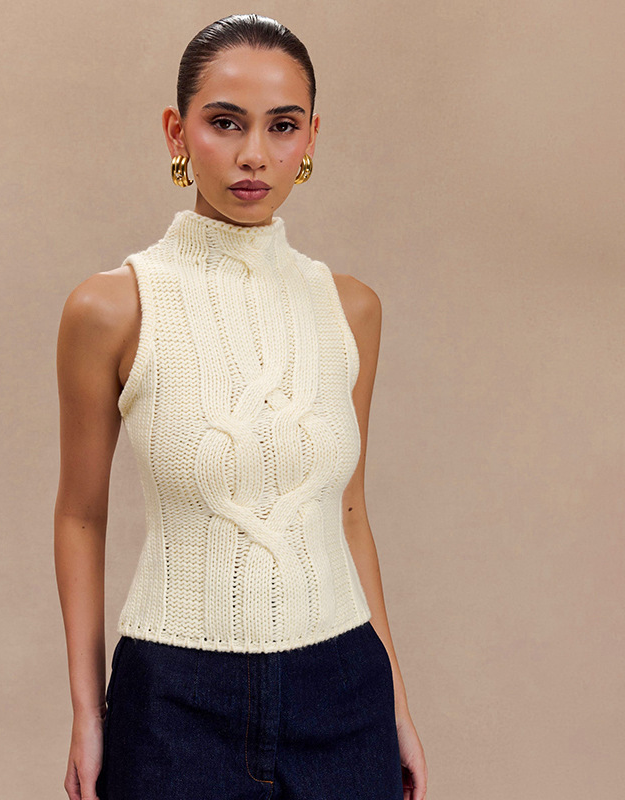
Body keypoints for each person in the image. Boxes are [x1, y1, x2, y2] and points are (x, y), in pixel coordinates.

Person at [54, 13, 427, 800]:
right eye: (225, 122)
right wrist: (89, 712)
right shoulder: (112, 308)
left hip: (344, 692)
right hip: (173, 700)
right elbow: (80, 515)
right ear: (177, 132)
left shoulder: (351, 309)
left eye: (282, 126)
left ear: (312, 137)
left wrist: (395, 704)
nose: (254, 154)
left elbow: (348, 515)